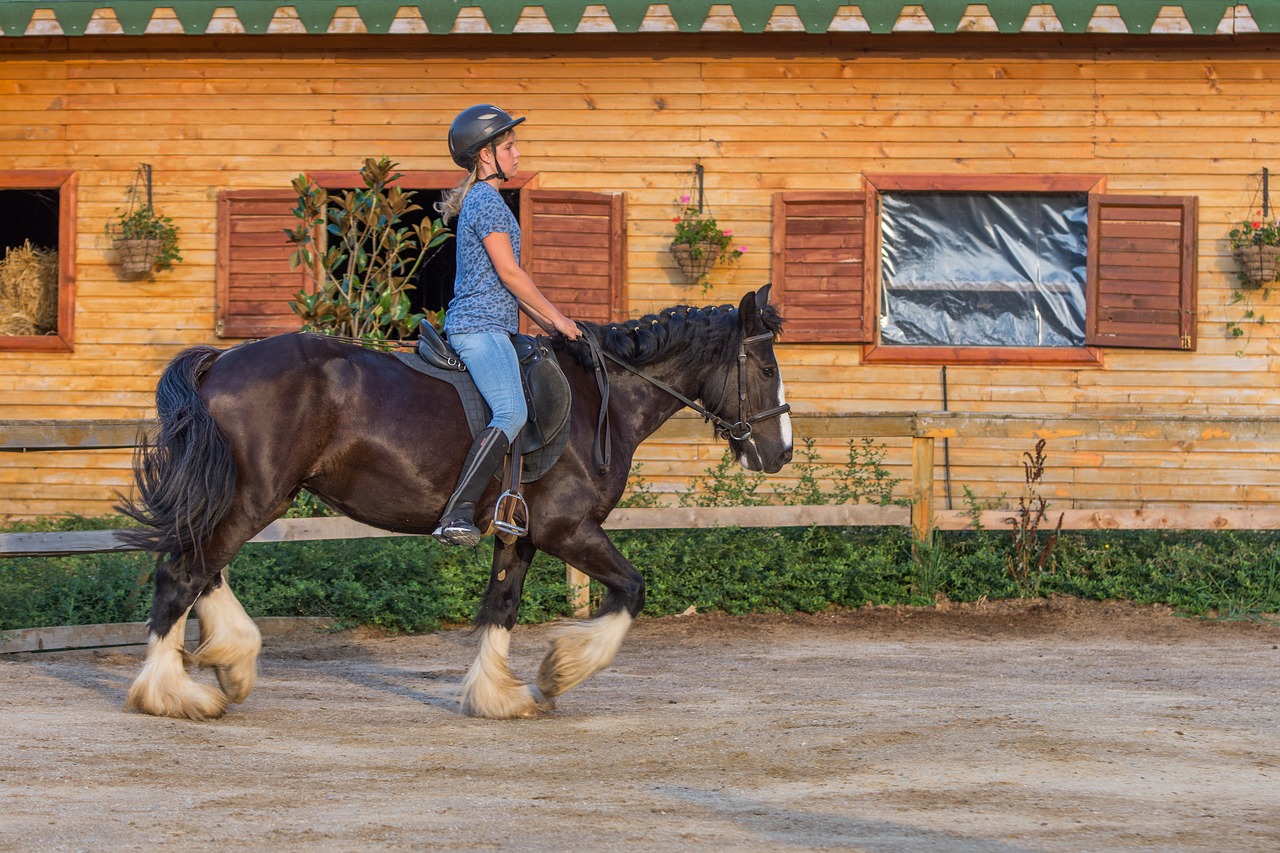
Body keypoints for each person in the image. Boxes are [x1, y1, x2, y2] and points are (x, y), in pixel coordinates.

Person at [432, 104, 581, 547]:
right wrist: (557, 316)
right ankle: (458, 512)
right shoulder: (489, 202)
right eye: (510, 147)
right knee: (512, 411)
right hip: (479, 328)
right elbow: (511, 274)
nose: (517, 155)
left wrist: (548, 325)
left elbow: (509, 287)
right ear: (485, 156)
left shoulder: (482, 200)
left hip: (494, 325)